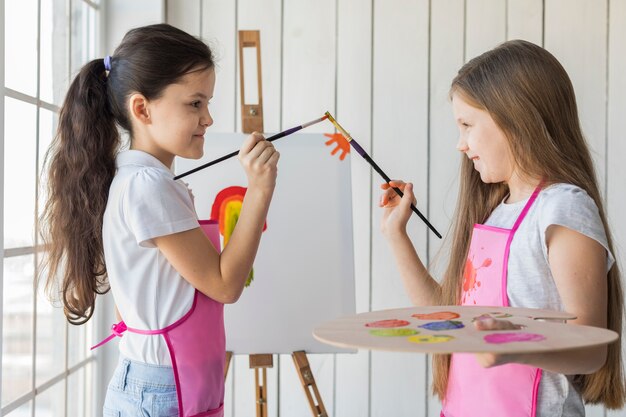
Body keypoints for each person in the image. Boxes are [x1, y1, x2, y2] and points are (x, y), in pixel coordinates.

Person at [39, 23, 279, 417]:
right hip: (160, 387)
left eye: (207, 103)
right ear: (142, 108)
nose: (208, 119)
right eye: (195, 103)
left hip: (162, 382)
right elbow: (224, 285)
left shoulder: (138, 180)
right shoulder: (148, 185)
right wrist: (260, 190)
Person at [379, 39, 624, 416]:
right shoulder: (497, 212)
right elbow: (447, 321)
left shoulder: (561, 207)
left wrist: (513, 344)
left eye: (467, 125)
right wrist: (396, 236)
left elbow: (590, 350)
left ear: (515, 118)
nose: (460, 144)